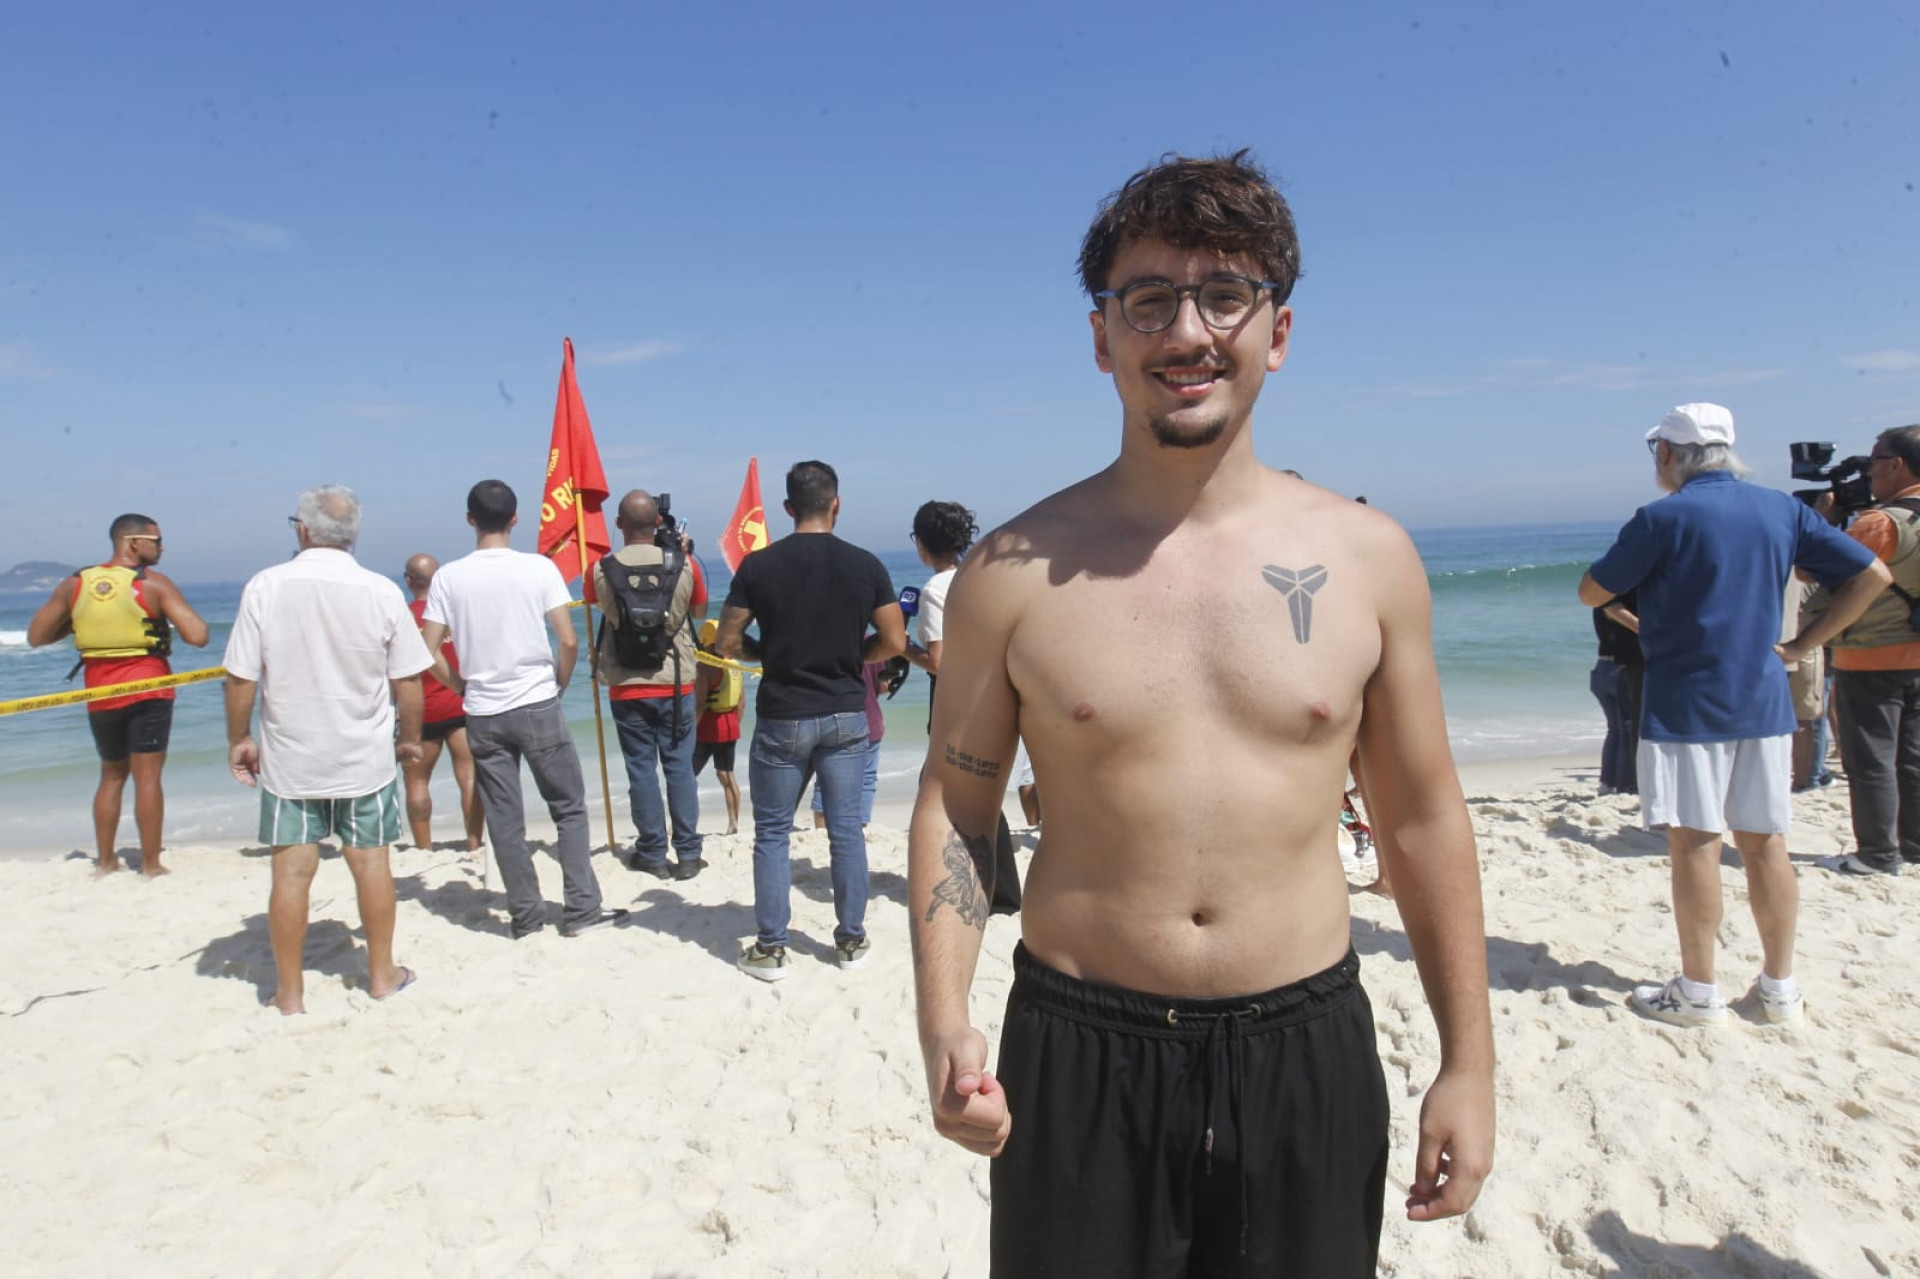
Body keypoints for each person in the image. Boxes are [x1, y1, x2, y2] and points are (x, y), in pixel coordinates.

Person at [908, 151, 1494, 1277]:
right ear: (1101, 337)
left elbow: (1422, 818)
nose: (1189, 331)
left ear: (1277, 330)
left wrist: (1469, 1059)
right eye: (1149, 300)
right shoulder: (1012, 573)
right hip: (1078, 1050)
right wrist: (944, 1022)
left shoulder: (1369, 561)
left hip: (1303, 1044)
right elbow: (959, 801)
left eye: (1225, 295)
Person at [1579, 403, 1889, 1027]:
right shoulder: (1781, 507)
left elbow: (1593, 589)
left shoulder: (1663, 517)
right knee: (1766, 844)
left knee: (1695, 844)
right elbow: (1872, 574)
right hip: (1764, 701)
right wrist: (1805, 644)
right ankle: (1779, 988)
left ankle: (1698, 990)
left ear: (1669, 454)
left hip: (1686, 702)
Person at [222, 486, 430, 1014]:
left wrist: (239, 737)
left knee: (291, 873)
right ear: (352, 534)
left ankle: (290, 994)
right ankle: (381, 973)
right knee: (372, 865)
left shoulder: (267, 586)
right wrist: (409, 736)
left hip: (293, 758)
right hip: (363, 756)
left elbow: (241, 676)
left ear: (303, 529)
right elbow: (408, 679)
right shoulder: (380, 591)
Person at [715, 460, 905, 981]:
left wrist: (767, 654)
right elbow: (893, 641)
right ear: (836, 504)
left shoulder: (757, 566)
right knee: (846, 831)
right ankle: (850, 940)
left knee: (773, 832)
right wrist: (854, 654)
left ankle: (773, 947)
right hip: (846, 712)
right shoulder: (865, 565)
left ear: (786, 508)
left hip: (784, 715)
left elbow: (725, 642)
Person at [420, 480, 626, 940]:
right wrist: (559, 681)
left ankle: (527, 916)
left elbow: (427, 648)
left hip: (483, 710)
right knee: (569, 807)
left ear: (470, 520)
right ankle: (581, 908)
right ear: (515, 519)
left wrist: (460, 684)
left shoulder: (449, 577)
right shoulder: (538, 568)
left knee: (504, 817)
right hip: (535, 700)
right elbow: (568, 639)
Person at [28, 513, 209, 877]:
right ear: (133, 543)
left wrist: (82, 621)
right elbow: (198, 635)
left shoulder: (76, 583)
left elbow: (37, 636)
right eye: (156, 541)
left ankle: (106, 861)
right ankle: (151, 864)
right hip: (149, 687)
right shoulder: (154, 583)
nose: (162, 547)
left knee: (111, 775)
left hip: (100, 691)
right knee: (147, 778)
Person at [1814, 424, 1920, 876]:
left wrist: (1822, 523)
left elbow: (1816, 574)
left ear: (1896, 464)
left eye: (1874, 461)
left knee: (1870, 759)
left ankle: (1876, 854)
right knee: (1912, 759)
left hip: (1871, 653)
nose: (1869, 471)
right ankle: (1912, 846)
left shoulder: (1879, 523)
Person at [905, 499, 1020, 914]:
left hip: (954, 700)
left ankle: (1001, 892)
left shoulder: (935, 590)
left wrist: (902, 650)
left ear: (920, 544)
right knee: (974, 792)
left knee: (944, 793)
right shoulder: (978, 579)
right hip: (990, 693)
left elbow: (938, 661)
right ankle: (1002, 890)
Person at [590, 489, 708, 881]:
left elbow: (601, 607)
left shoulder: (601, 568)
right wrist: (681, 554)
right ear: (658, 523)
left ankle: (653, 852)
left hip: (626, 684)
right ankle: (689, 854)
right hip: (675, 682)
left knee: (641, 770)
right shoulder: (684, 565)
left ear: (619, 524)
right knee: (679, 768)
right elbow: (700, 610)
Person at [400, 554, 485, 851]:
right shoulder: (454, 615)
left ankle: (424, 849)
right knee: (469, 775)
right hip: (458, 702)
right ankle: (475, 843)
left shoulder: (404, 618)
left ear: (409, 581)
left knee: (417, 780)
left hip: (421, 711)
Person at [810, 659, 887, 828]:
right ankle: (859, 827)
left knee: (826, 778)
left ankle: (821, 830)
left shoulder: (825, 642)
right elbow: (882, 687)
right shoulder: (873, 644)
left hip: (833, 718)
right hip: (870, 719)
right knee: (866, 778)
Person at [692, 618, 743, 836]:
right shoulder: (733, 663)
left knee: (687, 775)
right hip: (730, 724)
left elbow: (700, 703)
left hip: (709, 727)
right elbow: (741, 701)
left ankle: (679, 824)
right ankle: (733, 823)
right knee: (726, 774)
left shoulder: (705, 667)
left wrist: (690, 729)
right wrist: (735, 724)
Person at [1589, 590, 1643, 795]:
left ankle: (1606, 782)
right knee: (1627, 729)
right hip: (1618, 668)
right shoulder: (1617, 608)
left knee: (1615, 730)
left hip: (1600, 668)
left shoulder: (1598, 603)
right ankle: (1625, 784)